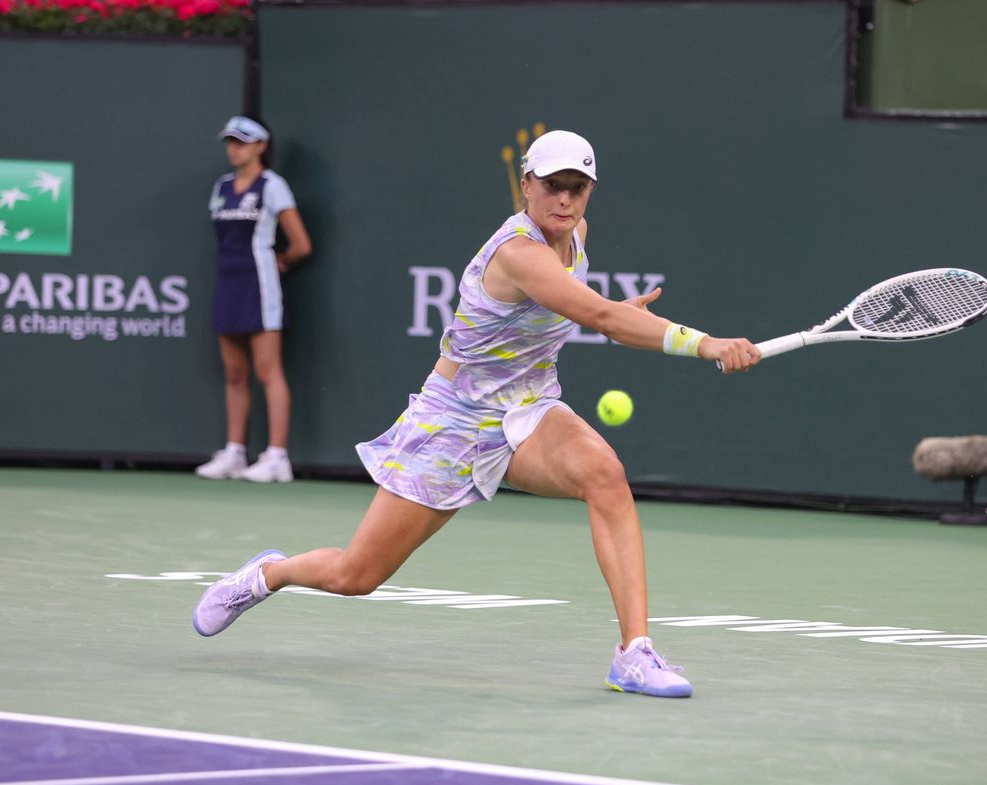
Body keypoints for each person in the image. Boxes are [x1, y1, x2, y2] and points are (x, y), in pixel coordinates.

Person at [193, 130, 761, 697]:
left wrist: (616, 311)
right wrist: (706, 343)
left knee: (605, 474)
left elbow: (597, 313)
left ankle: (633, 654)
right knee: (355, 576)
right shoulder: (518, 253)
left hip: (528, 408)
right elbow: (603, 320)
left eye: (578, 188)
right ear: (527, 186)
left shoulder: (576, 234)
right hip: (454, 421)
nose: (565, 200)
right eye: (553, 186)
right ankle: (267, 575)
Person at [195, 115, 312, 484]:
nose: (234, 148)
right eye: (230, 141)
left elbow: (301, 244)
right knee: (234, 372)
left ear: (261, 146)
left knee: (268, 370)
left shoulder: (272, 186)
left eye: (242, 142)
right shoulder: (222, 186)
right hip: (227, 282)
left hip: (260, 285)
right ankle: (234, 451)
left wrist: (282, 261)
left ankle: (277, 456)